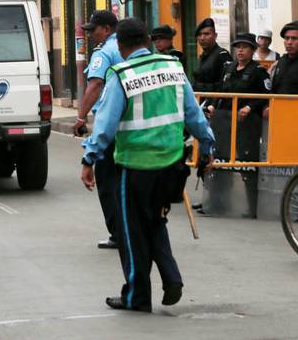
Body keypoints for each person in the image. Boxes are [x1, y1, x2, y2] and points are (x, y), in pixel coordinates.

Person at [80, 18, 215, 312]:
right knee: (155, 220)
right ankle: (171, 277)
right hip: (171, 165)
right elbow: (194, 115)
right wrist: (207, 146)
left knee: (131, 231)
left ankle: (136, 296)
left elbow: (104, 127)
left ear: (123, 46)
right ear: (149, 41)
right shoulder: (173, 68)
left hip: (135, 166)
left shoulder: (122, 73)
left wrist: (89, 157)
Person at [74, 10, 122, 250]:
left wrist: (81, 117)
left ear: (106, 28)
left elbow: (95, 85)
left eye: (93, 29)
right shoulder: (130, 50)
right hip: (136, 127)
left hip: (111, 124)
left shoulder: (105, 53)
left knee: (107, 181)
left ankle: (118, 233)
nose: (90, 34)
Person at [206, 33, 270, 162]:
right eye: (238, 47)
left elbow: (267, 96)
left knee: (245, 157)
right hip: (224, 120)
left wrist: (249, 107)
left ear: (253, 50)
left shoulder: (258, 71)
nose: (240, 50)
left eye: (245, 47)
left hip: (246, 123)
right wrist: (213, 104)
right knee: (221, 155)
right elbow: (220, 89)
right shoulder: (228, 67)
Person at [192, 18, 232, 94]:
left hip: (214, 102)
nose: (202, 38)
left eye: (207, 34)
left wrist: (202, 87)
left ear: (215, 35)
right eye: (199, 35)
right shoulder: (203, 56)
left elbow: (226, 85)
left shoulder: (222, 55)